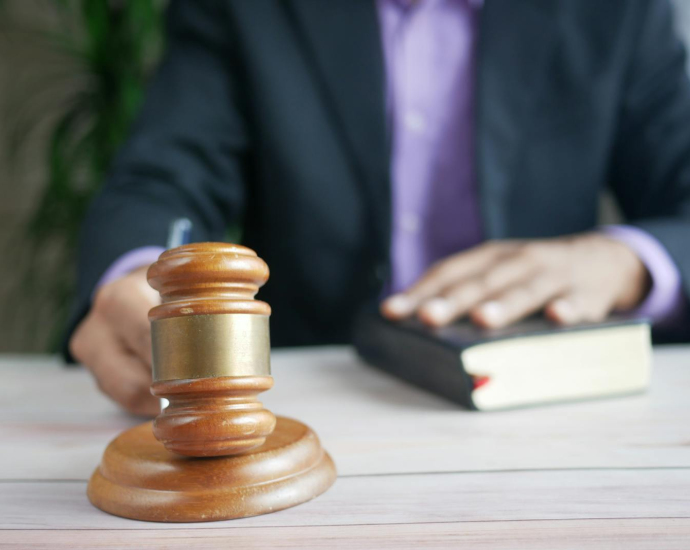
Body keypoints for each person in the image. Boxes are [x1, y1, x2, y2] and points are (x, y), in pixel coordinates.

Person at [68, 0, 690, 415]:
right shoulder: (247, 10)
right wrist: (140, 278)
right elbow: (160, 181)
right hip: (308, 399)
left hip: (557, 410)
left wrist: (626, 260)